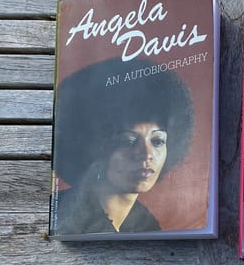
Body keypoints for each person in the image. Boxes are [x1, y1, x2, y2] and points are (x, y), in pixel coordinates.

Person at [51, 57, 193, 236]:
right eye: (128, 141)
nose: (146, 154)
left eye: (157, 141)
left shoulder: (147, 227)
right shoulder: (62, 216)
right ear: (95, 148)